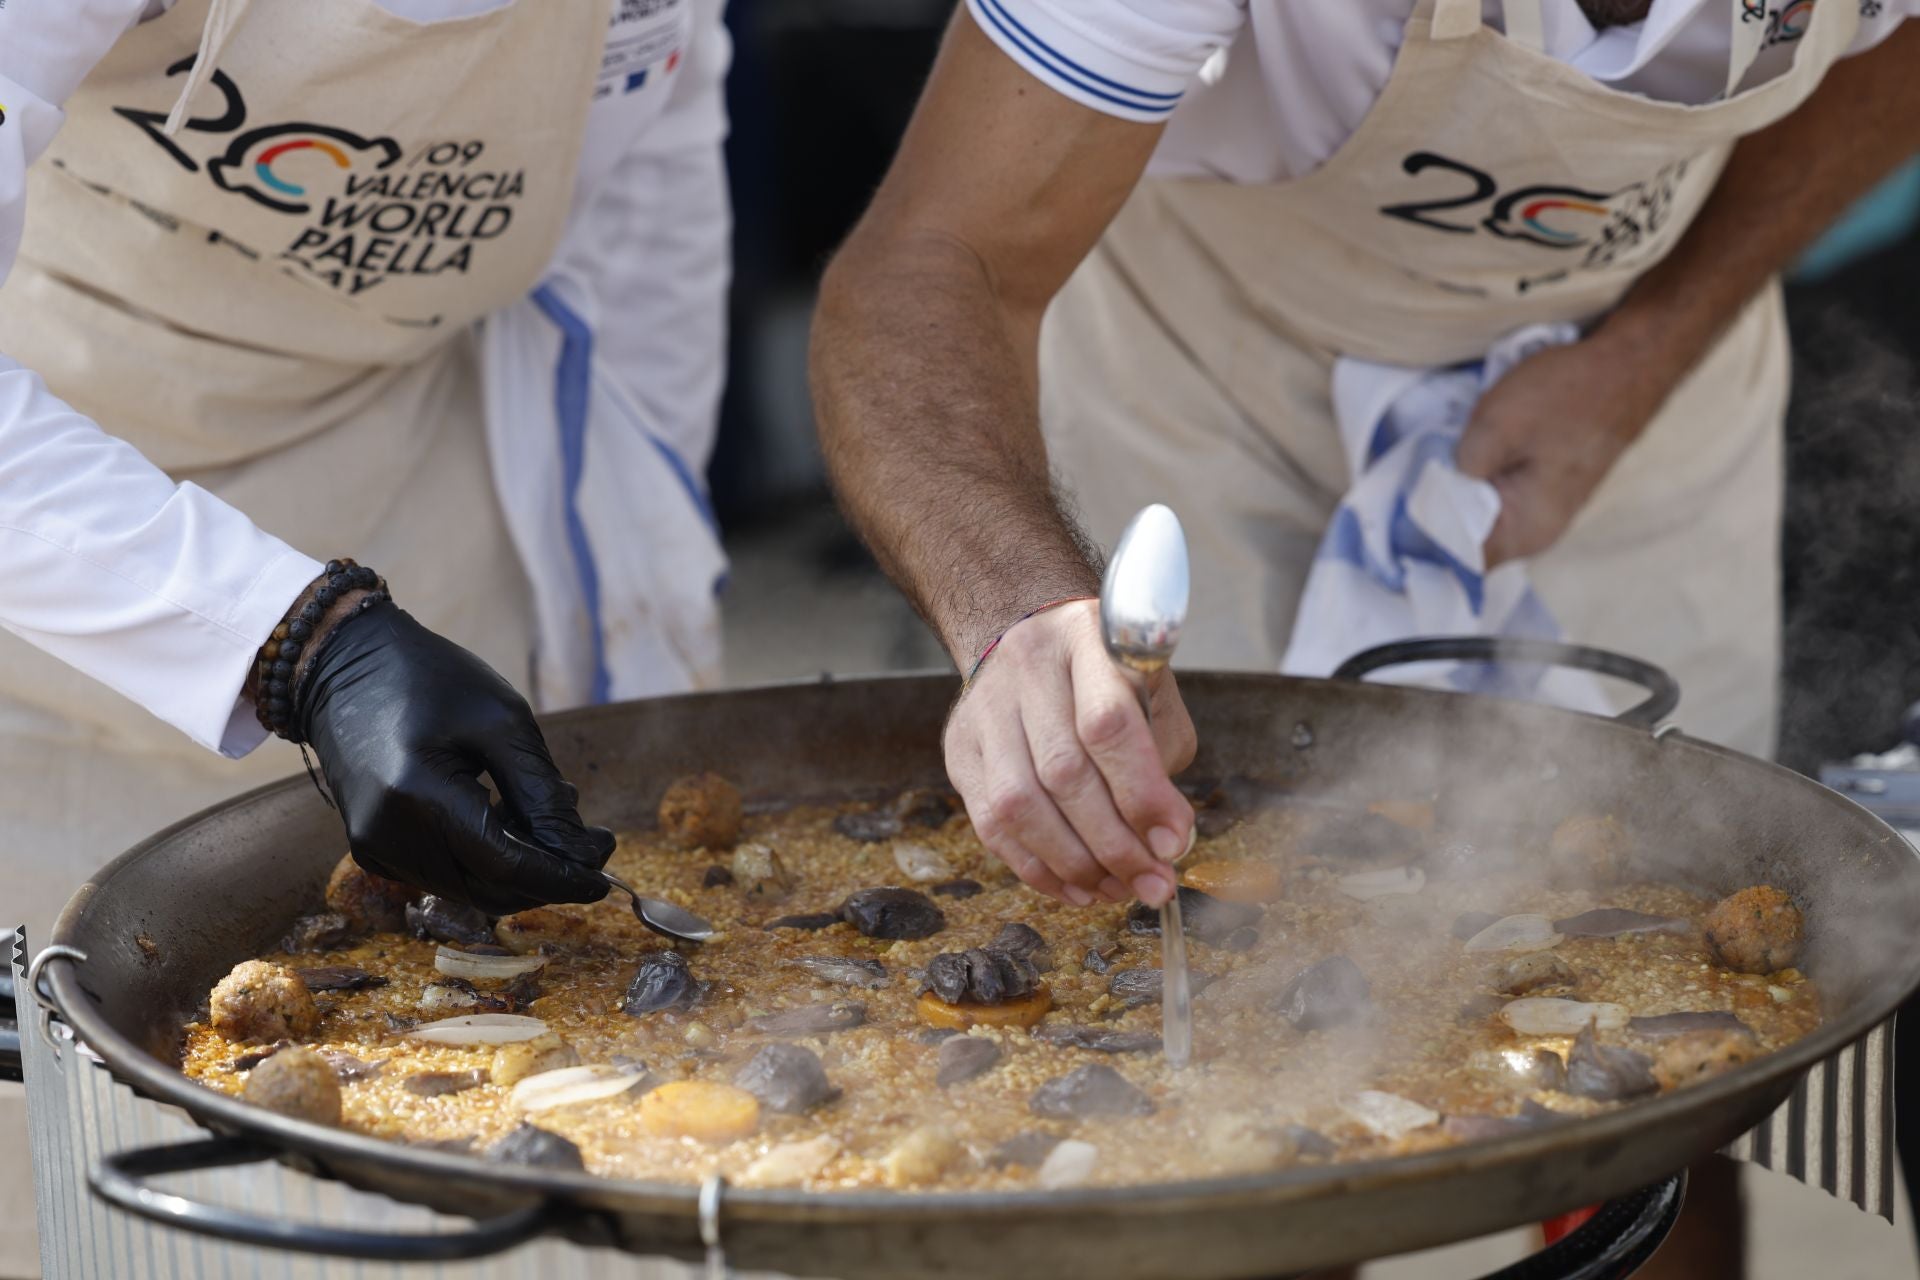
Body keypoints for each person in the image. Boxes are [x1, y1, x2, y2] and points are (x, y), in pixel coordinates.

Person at [812, 0, 1920, 911]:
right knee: (1198, 924)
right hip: (1211, 371)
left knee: (1681, 923)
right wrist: (1018, 609)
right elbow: (932, 256)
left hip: (1645, 349)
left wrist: (1651, 350)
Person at [0, 0, 731, 1273]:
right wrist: (295, 642)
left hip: (412, 456)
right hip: (53, 505)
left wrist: (629, 596)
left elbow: (644, 176)